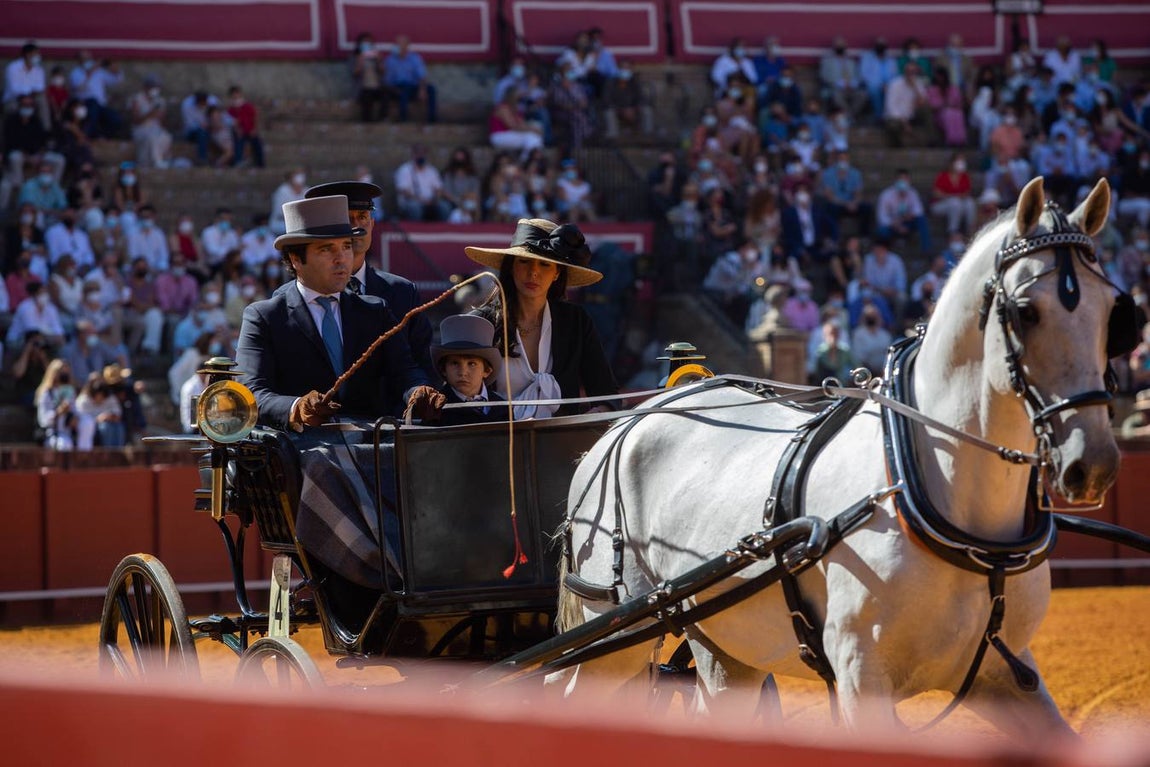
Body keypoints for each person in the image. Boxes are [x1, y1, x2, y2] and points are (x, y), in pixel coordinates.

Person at [236, 194, 432, 431]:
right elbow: (251, 393)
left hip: (372, 451)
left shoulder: (375, 311)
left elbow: (405, 371)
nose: (342, 259)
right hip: (300, 454)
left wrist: (419, 391)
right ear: (295, 258)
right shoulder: (264, 317)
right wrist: (296, 408)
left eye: (346, 246)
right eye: (327, 249)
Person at [466, 219, 618, 418]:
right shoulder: (480, 324)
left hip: (561, 441)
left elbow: (604, 390)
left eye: (545, 264)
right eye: (524, 261)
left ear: (557, 273)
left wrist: (600, 411)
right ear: (511, 267)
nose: (533, 272)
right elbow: (460, 396)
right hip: (495, 441)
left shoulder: (575, 321)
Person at [303, 180, 435, 383]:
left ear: (373, 223)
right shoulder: (291, 299)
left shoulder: (403, 292)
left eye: (363, 217)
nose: (357, 227)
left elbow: (422, 365)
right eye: (348, 218)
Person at [429, 314, 507, 427]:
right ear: (444, 369)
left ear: (487, 371)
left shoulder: (502, 407)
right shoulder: (434, 408)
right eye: (455, 363)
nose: (462, 372)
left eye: (472, 364)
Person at [384, 34, 437, 124]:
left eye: (401, 43)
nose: (398, 46)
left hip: (413, 87)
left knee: (431, 89)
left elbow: (422, 75)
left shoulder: (414, 58)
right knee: (404, 90)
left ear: (407, 45)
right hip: (398, 87)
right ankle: (403, 119)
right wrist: (393, 88)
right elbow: (387, 80)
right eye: (397, 44)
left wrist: (422, 89)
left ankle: (432, 119)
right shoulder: (390, 60)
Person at [875, 170, 931, 252]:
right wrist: (895, 224)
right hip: (892, 225)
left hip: (907, 223)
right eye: (900, 179)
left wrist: (909, 216)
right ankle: (887, 251)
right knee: (882, 230)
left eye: (906, 179)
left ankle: (927, 250)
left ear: (909, 181)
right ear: (895, 181)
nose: (903, 182)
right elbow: (881, 216)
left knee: (922, 220)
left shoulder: (912, 193)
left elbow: (919, 211)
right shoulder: (886, 195)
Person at [394, 145, 450, 221]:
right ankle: (415, 230)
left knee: (444, 206)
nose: (421, 156)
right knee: (414, 207)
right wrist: (422, 200)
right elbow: (404, 191)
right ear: (413, 155)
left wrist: (435, 199)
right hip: (412, 201)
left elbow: (439, 189)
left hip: (431, 202)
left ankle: (444, 231)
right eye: (418, 154)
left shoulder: (432, 170)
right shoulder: (405, 170)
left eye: (423, 154)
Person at [127, 75, 172, 168]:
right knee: (151, 138)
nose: (155, 89)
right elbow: (136, 120)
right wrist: (151, 113)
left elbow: (162, 121)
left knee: (166, 137)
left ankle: (163, 160)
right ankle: (156, 161)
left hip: (156, 128)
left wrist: (160, 115)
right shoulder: (137, 99)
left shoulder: (160, 101)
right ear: (146, 87)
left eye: (157, 87)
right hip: (141, 128)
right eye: (152, 86)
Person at [35, 358, 78, 450]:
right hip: (51, 434)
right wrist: (58, 412)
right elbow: (43, 420)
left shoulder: (70, 391)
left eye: (66, 372)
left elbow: (75, 412)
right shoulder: (46, 393)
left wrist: (74, 419)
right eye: (61, 372)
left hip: (68, 433)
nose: (64, 375)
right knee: (64, 445)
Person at [351, 32, 389, 123]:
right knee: (367, 97)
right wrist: (361, 61)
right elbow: (354, 74)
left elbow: (382, 72)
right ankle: (367, 121)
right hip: (363, 87)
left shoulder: (375, 57)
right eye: (365, 43)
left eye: (370, 43)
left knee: (386, 93)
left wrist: (379, 61)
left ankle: (383, 118)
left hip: (376, 86)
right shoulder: (354, 57)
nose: (367, 45)